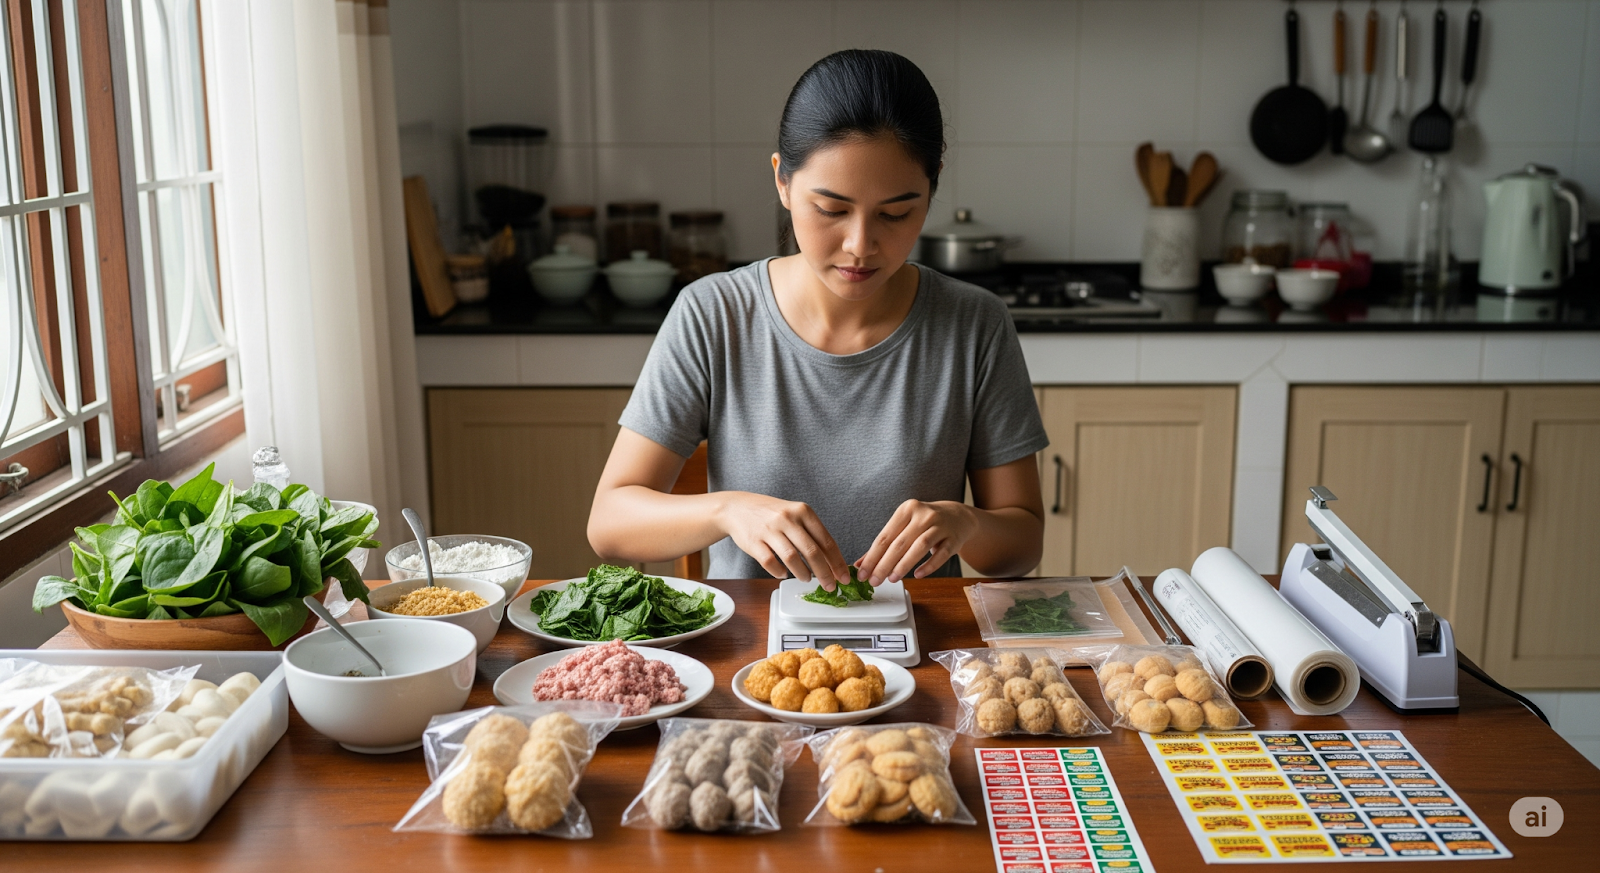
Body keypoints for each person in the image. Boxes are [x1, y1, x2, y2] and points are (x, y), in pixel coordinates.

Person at [588, 49, 1047, 589]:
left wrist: (966, 522)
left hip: (921, 648)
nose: (860, 245)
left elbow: (1022, 547)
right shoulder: (714, 316)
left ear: (933, 187)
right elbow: (610, 524)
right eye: (831, 209)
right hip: (755, 651)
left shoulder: (975, 325)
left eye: (896, 213)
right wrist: (726, 511)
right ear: (782, 181)